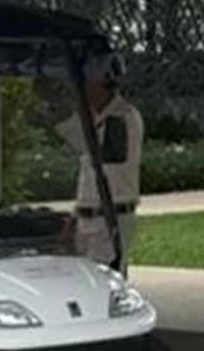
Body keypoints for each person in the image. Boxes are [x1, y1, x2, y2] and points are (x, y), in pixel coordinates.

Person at [57, 65, 143, 262]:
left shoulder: (124, 117)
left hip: (111, 217)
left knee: (101, 276)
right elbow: (90, 178)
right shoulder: (94, 120)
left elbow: (100, 152)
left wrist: (62, 115)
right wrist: (76, 216)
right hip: (88, 219)